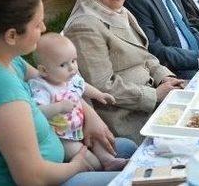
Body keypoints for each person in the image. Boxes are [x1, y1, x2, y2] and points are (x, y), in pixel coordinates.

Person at [0, 0, 136, 186]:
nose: (44, 27)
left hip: (59, 157)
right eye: (37, 23)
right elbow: (31, 178)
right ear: (11, 35)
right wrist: (77, 165)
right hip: (44, 178)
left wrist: (91, 116)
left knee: (127, 148)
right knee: (140, 180)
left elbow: (56, 82)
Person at [64, 0, 182, 144]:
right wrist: (155, 95)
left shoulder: (119, 12)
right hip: (123, 117)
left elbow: (143, 54)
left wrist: (165, 77)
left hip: (150, 100)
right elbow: (102, 85)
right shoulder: (84, 27)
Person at [29, 33, 129, 171]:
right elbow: (37, 111)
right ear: (43, 70)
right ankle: (96, 172)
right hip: (62, 136)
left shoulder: (70, 78)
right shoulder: (43, 87)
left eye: (73, 61)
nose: (72, 68)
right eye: (63, 64)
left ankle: (109, 161)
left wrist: (99, 95)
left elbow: (84, 86)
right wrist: (58, 107)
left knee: (97, 141)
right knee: (89, 160)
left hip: (80, 128)